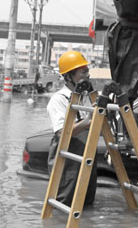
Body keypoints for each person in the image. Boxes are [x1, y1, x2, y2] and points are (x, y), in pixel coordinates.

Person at [46, 51, 97, 206]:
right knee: (64, 201)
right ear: (68, 76)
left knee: (86, 202)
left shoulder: (83, 98)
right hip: (67, 159)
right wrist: (88, 121)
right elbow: (62, 133)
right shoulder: (59, 99)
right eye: (82, 72)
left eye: (87, 71)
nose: (87, 76)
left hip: (85, 156)